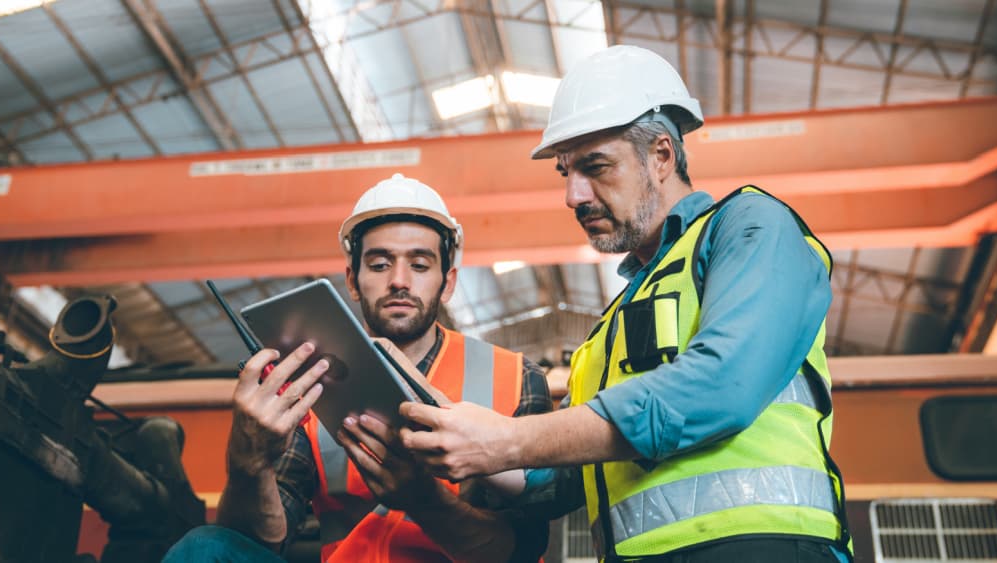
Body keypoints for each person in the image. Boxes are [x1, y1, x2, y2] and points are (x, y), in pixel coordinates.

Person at [399, 45, 853, 562]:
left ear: (661, 155)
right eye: (566, 172)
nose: (574, 195)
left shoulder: (750, 227)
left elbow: (721, 385)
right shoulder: (606, 330)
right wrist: (462, 446)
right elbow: (576, 473)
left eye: (595, 167)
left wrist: (508, 440)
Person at [164, 174, 553, 562]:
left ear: (447, 283)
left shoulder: (517, 379)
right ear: (352, 280)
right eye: (380, 264)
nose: (399, 281)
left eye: (419, 265)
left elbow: (523, 549)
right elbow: (260, 542)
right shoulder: (306, 385)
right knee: (206, 548)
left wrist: (426, 503)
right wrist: (248, 463)